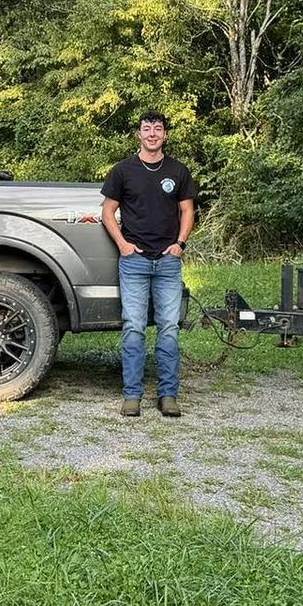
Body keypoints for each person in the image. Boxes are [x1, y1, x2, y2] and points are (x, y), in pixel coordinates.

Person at [101, 111, 197, 417]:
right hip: (134, 262)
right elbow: (107, 212)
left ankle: (168, 395)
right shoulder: (123, 170)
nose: (152, 134)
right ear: (139, 134)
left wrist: (179, 245)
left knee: (169, 328)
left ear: (165, 135)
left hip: (168, 262)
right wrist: (123, 245)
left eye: (158, 129)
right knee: (134, 328)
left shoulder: (178, 171)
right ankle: (132, 396)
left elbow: (187, 211)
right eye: (147, 129)